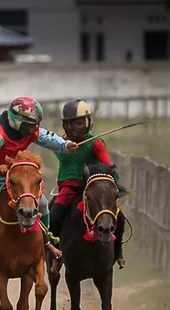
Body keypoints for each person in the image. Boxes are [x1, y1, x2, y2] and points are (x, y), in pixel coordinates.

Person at [0, 96, 79, 277]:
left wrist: (66, 145)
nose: (34, 129)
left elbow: (47, 138)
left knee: (44, 204)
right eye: (30, 126)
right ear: (17, 122)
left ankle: (46, 243)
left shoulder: (30, 129)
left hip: (21, 176)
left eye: (35, 125)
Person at [51, 98, 127, 271]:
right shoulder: (61, 145)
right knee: (55, 214)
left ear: (88, 123)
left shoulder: (95, 143)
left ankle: (119, 250)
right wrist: (64, 144)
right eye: (70, 124)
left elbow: (108, 166)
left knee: (119, 216)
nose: (74, 128)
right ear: (64, 126)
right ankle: (56, 254)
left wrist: (110, 181)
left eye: (78, 123)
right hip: (68, 187)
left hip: (92, 187)